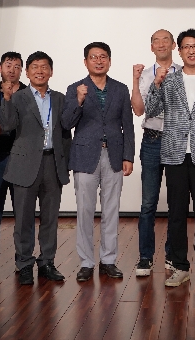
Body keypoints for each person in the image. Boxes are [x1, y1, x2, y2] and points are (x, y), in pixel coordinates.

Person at [145, 28, 195, 289]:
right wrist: (156, 84)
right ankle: (180, 266)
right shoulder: (168, 80)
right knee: (176, 214)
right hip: (175, 155)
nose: (191, 51)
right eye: (186, 47)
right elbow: (151, 111)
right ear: (179, 51)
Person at [62, 42, 134, 283]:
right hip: (85, 156)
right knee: (84, 210)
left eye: (103, 57)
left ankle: (108, 260)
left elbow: (128, 126)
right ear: (86, 62)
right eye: (94, 57)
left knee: (111, 209)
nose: (99, 61)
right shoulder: (75, 88)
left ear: (109, 61)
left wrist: (128, 156)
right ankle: (86, 262)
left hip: (114, 154)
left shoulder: (120, 89)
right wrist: (79, 100)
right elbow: (66, 123)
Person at [0, 51, 70, 285]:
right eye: (35, 67)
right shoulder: (18, 97)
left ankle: (47, 262)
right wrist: (7, 99)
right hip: (24, 164)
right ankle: (24, 263)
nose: (40, 71)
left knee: (50, 218)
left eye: (44, 67)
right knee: (23, 218)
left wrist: (65, 163)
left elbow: (66, 133)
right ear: (27, 73)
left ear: (51, 72)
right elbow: (7, 125)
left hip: (53, 163)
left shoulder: (59, 98)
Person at [131, 29, 182, 276]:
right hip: (151, 140)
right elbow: (139, 110)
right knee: (148, 203)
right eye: (156, 41)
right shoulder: (143, 73)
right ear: (151, 46)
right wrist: (135, 81)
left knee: (175, 202)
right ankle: (145, 257)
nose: (161, 44)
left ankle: (172, 255)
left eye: (165, 40)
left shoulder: (183, 73)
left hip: (175, 140)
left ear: (174, 45)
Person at [0, 52, 27, 274]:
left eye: (17, 66)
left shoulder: (28, 93)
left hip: (22, 159)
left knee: (22, 210)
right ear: (0, 68)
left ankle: (23, 259)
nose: (12, 69)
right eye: (8, 65)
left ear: (22, 71)